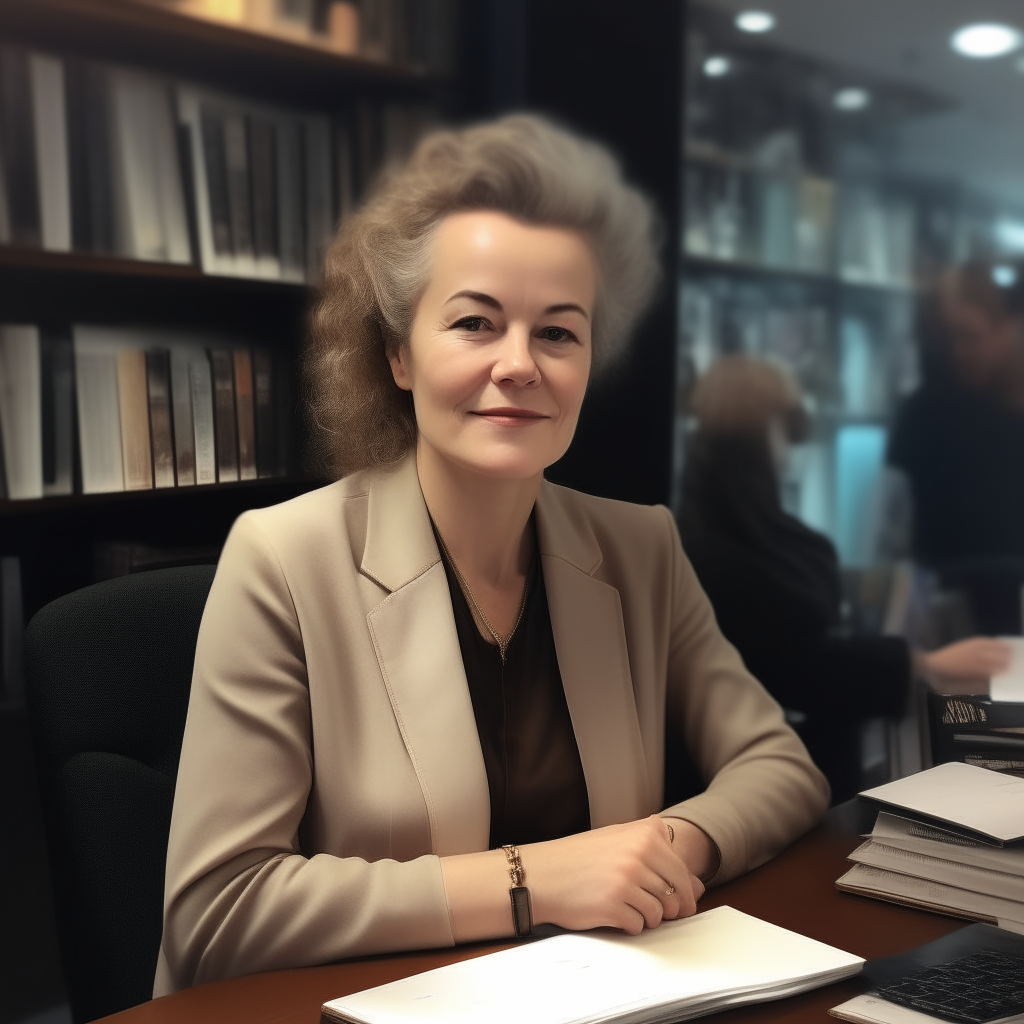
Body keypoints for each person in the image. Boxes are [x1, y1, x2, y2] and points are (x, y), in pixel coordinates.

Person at [155, 116, 829, 996]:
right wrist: (533, 881)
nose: (520, 365)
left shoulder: (639, 547)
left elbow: (782, 768)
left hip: (599, 1000)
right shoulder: (282, 558)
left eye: (558, 333)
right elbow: (218, 911)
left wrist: (662, 848)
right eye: (476, 323)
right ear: (397, 353)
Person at [677, 355, 1010, 800]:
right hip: (768, 784)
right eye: (783, 428)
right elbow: (796, 667)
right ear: (758, 435)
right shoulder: (712, 555)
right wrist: (924, 665)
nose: (792, 447)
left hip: (808, 766)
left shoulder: (750, 535)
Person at [888, 260, 1024, 632]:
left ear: (1010, 327)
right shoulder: (926, 410)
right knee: (958, 695)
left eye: (972, 336)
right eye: (951, 338)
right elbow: (894, 526)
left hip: (1013, 620)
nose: (960, 351)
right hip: (946, 621)